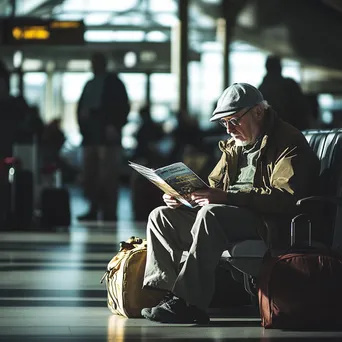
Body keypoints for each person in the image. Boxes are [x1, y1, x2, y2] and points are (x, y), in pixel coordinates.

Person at [140, 82, 320, 324]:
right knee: (161, 217)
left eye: (233, 120)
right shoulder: (236, 144)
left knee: (211, 216)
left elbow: (284, 198)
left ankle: (190, 303)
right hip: (228, 214)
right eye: (224, 123)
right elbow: (215, 186)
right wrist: (184, 198)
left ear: (258, 111)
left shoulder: (288, 142)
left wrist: (227, 198)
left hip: (265, 221)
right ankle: (165, 295)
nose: (229, 129)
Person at [76, 52, 130, 221]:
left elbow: (123, 107)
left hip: (107, 137)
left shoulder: (113, 84)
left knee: (108, 176)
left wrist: (114, 126)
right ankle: (94, 208)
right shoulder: (91, 84)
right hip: (91, 136)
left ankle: (108, 211)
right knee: (91, 175)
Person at [258, 55, 311, 130]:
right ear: (280, 68)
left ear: (266, 68)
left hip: (271, 131)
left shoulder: (261, 89)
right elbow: (303, 108)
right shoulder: (290, 84)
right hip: (293, 129)